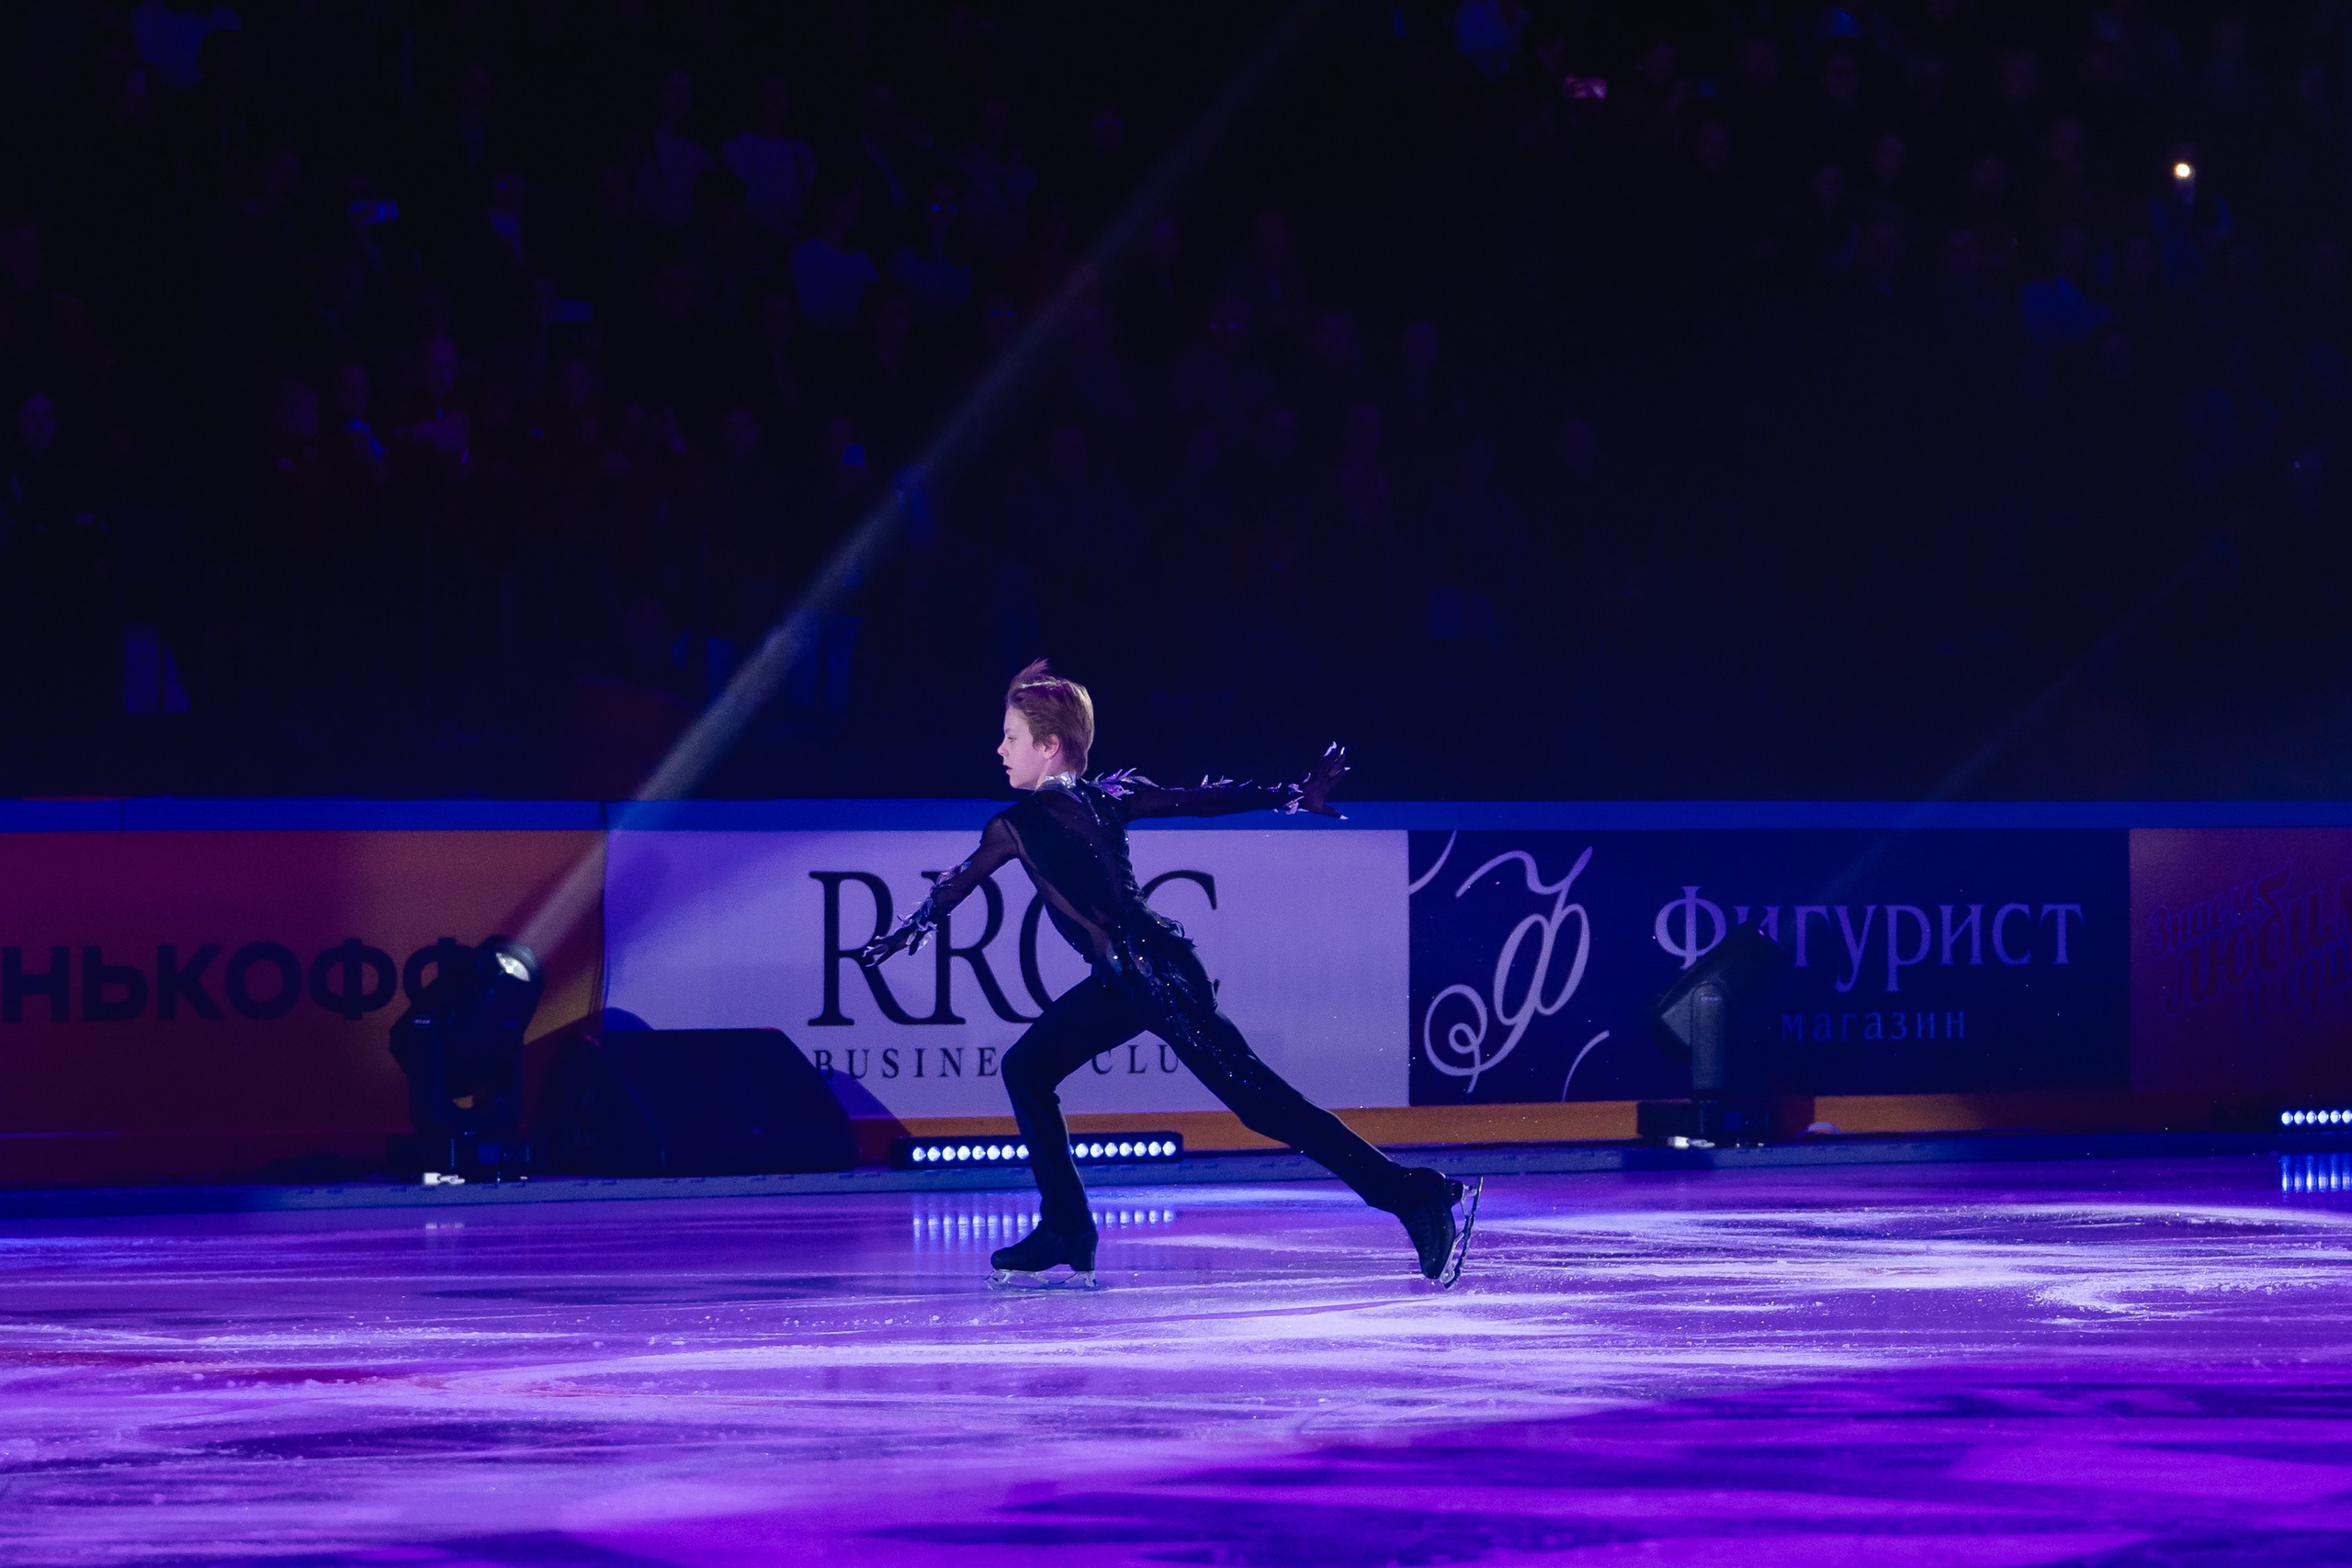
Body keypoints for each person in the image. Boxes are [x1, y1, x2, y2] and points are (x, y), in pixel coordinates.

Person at [859, 660, 1472, 1285]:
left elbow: (1190, 801)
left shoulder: (1022, 823)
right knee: (1027, 1065)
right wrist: (908, 929)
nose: (1000, 748)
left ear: (1048, 747)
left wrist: (908, 927)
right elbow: (1197, 798)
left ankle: (1413, 1192)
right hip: (1125, 983)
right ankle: (1067, 1224)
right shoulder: (1085, 803)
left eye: (1011, 737)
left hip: (1160, 980)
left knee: (1263, 1104)